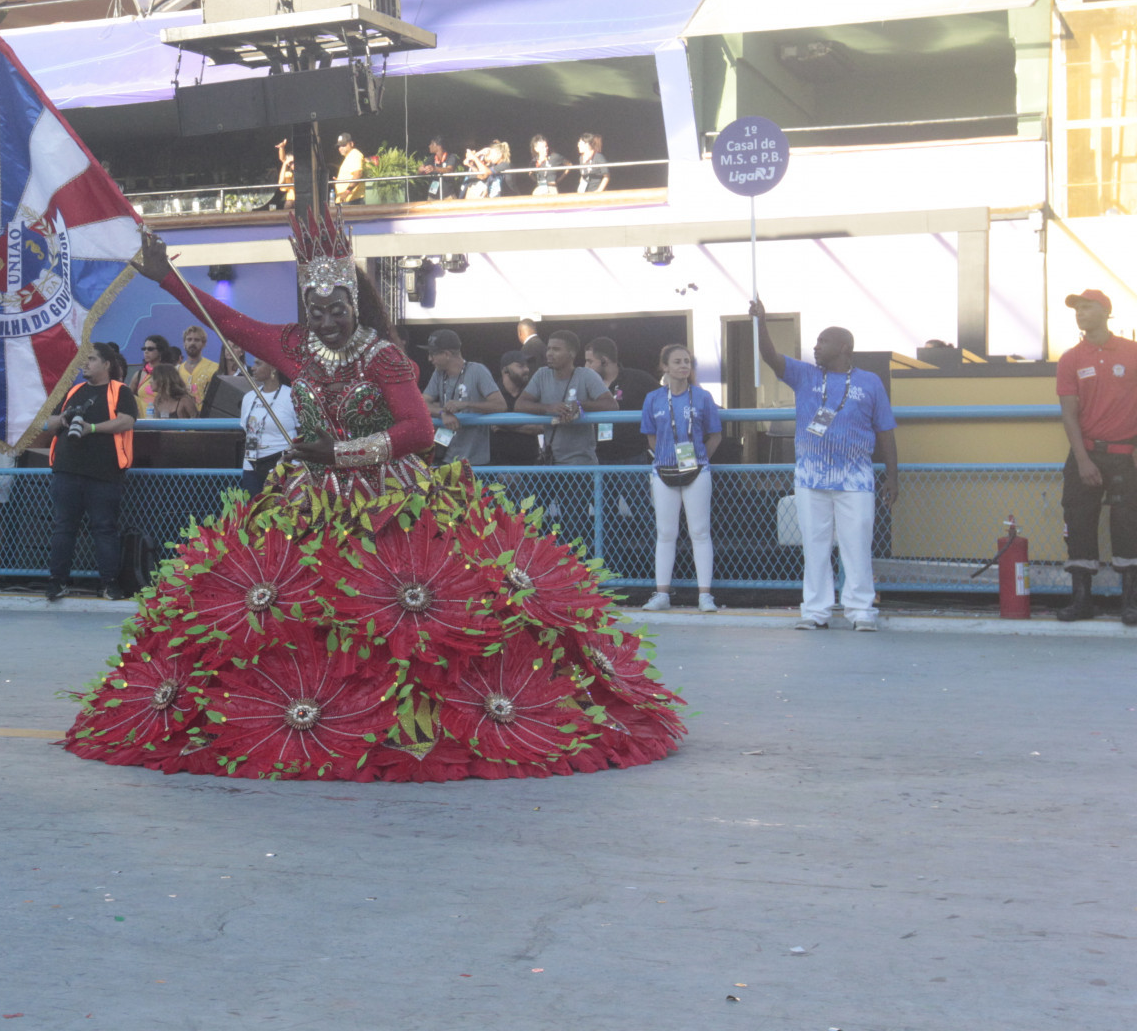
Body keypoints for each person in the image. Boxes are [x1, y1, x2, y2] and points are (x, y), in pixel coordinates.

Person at [65, 204, 684, 783]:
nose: (327, 321)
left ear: (354, 305)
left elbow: (416, 432)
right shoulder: (291, 345)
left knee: (402, 614)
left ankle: (397, 719)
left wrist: (340, 454)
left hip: (389, 498)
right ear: (305, 306)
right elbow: (222, 319)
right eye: (317, 308)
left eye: (338, 308)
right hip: (304, 500)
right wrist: (165, 277)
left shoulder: (382, 356)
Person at [750, 299, 899, 632]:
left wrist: (893, 476)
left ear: (843, 347)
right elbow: (771, 358)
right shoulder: (804, 375)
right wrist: (761, 322)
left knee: (856, 544)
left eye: (822, 342)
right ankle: (816, 611)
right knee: (814, 546)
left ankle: (861, 611)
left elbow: (885, 430)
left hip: (856, 479)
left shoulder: (870, 382)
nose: (815, 348)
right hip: (809, 478)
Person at [1053, 289, 1137, 623]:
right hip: (1085, 453)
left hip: (1124, 456)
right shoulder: (1071, 358)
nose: (1080, 313)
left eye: (1087, 307)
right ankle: (1082, 601)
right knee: (1079, 522)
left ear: (1106, 311)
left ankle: (1129, 605)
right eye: (1077, 309)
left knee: (1128, 524)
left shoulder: (1132, 353)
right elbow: (1069, 414)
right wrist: (1083, 460)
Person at [43, 343, 137, 602]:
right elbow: (48, 422)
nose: (85, 364)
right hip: (66, 470)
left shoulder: (121, 390)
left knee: (104, 529)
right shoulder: (73, 390)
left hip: (104, 473)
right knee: (63, 528)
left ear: (107, 364)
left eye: (92, 359)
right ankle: (57, 582)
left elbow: (127, 420)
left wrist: (91, 428)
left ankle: (109, 584)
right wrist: (64, 419)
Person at [640, 345, 722, 612]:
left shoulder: (702, 396)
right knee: (666, 533)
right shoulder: (653, 399)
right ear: (665, 367)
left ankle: (705, 595)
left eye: (687, 361)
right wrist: (663, 457)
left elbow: (715, 433)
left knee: (699, 531)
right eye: (677, 361)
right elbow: (651, 435)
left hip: (697, 470)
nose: (683, 366)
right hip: (662, 470)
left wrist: (699, 460)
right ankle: (661, 594)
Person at [515, 331, 616, 466]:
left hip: (582, 464)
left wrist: (579, 406)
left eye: (556, 349)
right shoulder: (541, 374)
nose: (549, 353)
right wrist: (549, 408)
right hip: (550, 463)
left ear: (571, 354)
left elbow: (611, 404)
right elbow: (520, 404)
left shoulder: (586, 375)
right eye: (548, 349)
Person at [421, 329, 504, 467]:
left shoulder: (477, 370)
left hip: (475, 463)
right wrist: (443, 413)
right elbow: (421, 402)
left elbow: (500, 405)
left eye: (433, 354)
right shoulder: (438, 373)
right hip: (446, 460)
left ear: (447, 354)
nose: (430, 359)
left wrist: (465, 404)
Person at [586, 338, 660, 468]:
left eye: (590, 361)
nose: (586, 366)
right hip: (598, 458)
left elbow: (666, 402)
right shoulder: (586, 384)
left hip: (634, 457)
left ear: (604, 360)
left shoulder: (638, 379)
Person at [240, 358, 297, 493]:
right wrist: (250, 457)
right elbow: (247, 431)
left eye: (258, 363)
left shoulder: (291, 396)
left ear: (273, 368)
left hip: (282, 466)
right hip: (251, 465)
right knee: (253, 511)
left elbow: (302, 433)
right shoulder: (249, 397)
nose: (252, 368)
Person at [488, 350, 543, 467]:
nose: (527, 369)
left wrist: (506, 426)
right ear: (505, 370)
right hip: (498, 464)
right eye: (521, 366)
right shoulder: (492, 394)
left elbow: (542, 427)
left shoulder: (532, 394)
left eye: (527, 366)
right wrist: (525, 426)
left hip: (531, 464)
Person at [177, 324, 218, 406]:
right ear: (184, 343)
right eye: (189, 339)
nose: (192, 343)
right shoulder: (176, 371)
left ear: (203, 343)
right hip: (182, 417)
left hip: (206, 416)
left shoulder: (215, 368)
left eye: (196, 340)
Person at [332, 132, 366, 204]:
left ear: (351, 144)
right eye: (339, 146)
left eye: (344, 145)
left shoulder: (355, 154)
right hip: (346, 200)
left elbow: (358, 174)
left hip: (352, 200)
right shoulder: (349, 157)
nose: (341, 148)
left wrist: (347, 192)